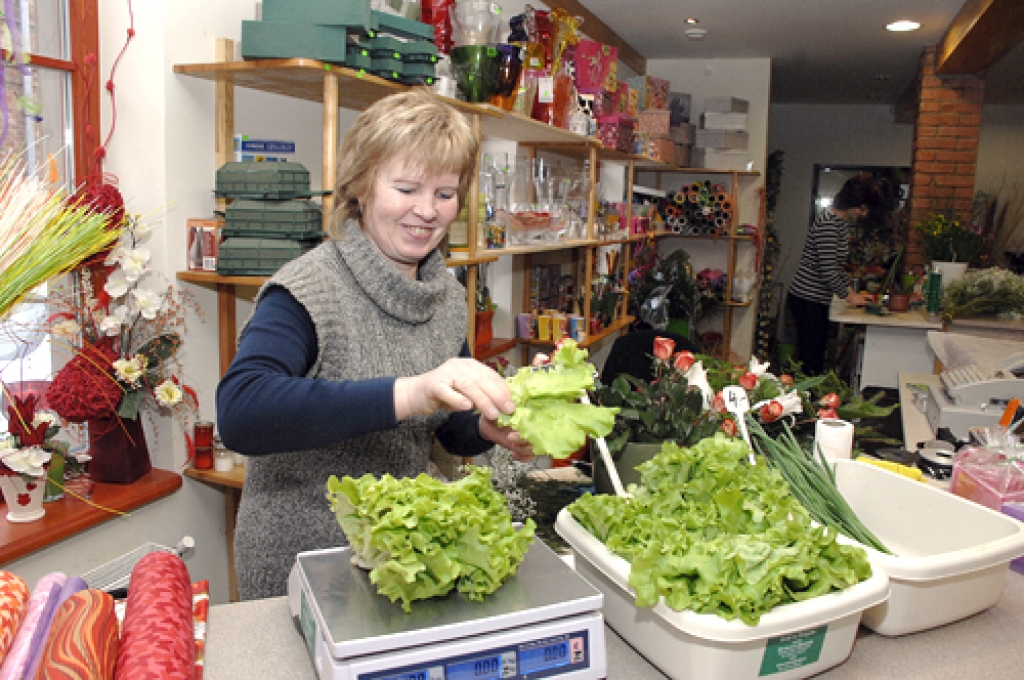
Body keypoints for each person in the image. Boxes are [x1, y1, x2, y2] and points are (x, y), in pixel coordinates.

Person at [216, 90, 533, 601]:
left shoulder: (445, 296)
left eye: (445, 193)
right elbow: (241, 412)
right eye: (406, 188)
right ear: (360, 187)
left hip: (401, 564)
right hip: (303, 573)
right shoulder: (306, 289)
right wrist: (412, 392)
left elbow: (445, 427)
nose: (426, 211)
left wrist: (483, 427)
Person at [786, 175, 881, 376]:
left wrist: (850, 292)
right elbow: (828, 270)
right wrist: (849, 297)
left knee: (814, 356)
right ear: (852, 204)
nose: (863, 214)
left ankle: (808, 393)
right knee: (811, 360)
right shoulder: (828, 225)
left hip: (814, 300)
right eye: (862, 209)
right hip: (807, 300)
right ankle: (805, 395)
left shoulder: (839, 224)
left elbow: (836, 267)